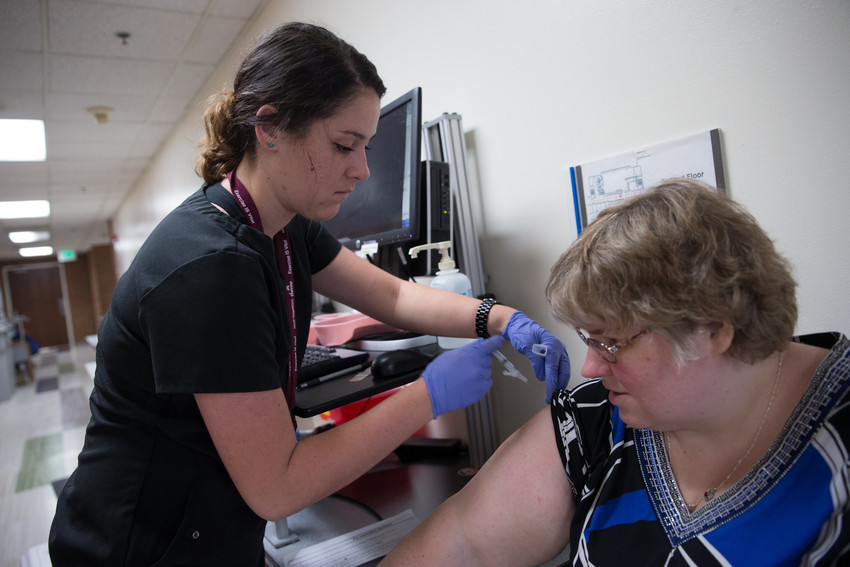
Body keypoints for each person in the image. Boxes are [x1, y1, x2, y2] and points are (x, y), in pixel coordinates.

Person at [47, 22, 570, 566]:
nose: (363, 169)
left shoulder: (283, 223)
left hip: (212, 522)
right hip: (141, 543)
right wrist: (427, 395)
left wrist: (499, 317)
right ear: (269, 127)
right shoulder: (208, 268)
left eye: (365, 147)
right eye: (345, 145)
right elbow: (278, 487)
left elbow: (391, 297)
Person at [381, 179, 850, 566]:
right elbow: (464, 544)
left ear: (711, 329)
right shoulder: (596, 421)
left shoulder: (838, 454)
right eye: (588, 341)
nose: (589, 367)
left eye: (610, 343)